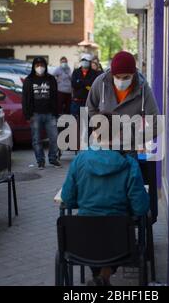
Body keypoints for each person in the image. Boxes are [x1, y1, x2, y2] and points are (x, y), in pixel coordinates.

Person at [61, 113, 149, 286]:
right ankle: (103, 278)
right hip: (120, 242)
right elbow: (141, 208)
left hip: (82, 241)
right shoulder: (129, 164)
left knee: (97, 239)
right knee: (115, 237)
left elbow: (68, 199)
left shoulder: (80, 160)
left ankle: (100, 278)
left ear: (94, 133)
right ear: (119, 135)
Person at [86, 51, 160, 221]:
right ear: (111, 74)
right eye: (117, 76)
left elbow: (157, 123)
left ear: (133, 74)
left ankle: (125, 229)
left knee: (127, 194)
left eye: (126, 76)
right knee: (102, 192)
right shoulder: (101, 82)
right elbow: (90, 108)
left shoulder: (143, 89)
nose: (121, 80)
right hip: (102, 149)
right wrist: (102, 128)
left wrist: (132, 138)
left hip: (128, 151)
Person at [22, 56, 61, 169]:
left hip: (50, 114)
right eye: (37, 65)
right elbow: (24, 98)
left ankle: (53, 159)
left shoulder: (51, 79)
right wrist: (27, 114)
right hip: (35, 114)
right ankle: (40, 161)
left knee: (54, 138)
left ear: (45, 66)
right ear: (34, 67)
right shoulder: (29, 80)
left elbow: (55, 96)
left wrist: (56, 112)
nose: (40, 67)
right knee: (36, 139)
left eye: (42, 65)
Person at [71, 53, 100, 118]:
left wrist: (80, 81)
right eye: (83, 60)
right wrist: (85, 83)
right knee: (74, 122)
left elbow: (92, 84)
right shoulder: (76, 72)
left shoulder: (93, 73)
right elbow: (74, 84)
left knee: (84, 122)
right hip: (76, 101)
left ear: (89, 62)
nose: (84, 62)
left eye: (86, 61)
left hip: (87, 102)